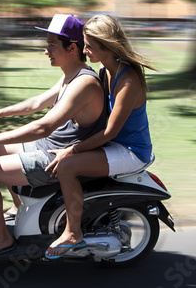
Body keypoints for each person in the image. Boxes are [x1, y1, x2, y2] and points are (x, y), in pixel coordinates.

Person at [0, 14, 107, 258]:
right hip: (46, 146)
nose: (46, 51)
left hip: (53, 158)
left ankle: (1, 239)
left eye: (51, 45)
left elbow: (44, 126)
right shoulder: (71, 74)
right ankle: (20, 208)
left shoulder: (84, 83)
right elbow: (38, 102)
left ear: (72, 48)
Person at [44, 14, 156, 259]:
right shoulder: (105, 70)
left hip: (130, 150)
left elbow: (111, 131)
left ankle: (73, 233)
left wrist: (72, 150)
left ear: (106, 46)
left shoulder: (128, 80)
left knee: (67, 166)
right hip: (113, 144)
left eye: (89, 46)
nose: (84, 50)